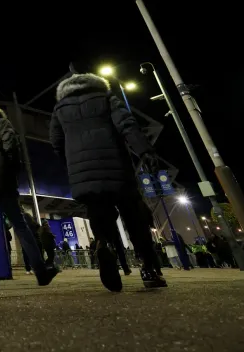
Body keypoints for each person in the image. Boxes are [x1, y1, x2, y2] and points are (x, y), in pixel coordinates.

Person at [49, 69, 166, 291]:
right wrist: (145, 151)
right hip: (117, 168)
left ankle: (104, 244)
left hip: (84, 175)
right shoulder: (106, 98)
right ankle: (149, 268)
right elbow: (127, 124)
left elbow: (55, 141)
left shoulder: (60, 109)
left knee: (99, 215)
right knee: (134, 216)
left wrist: (72, 164)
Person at [0, 105, 59, 290]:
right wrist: (14, 171)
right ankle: (41, 271)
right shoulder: (2, 123)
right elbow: (12, 148)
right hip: (3, 183)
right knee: (21, 226)